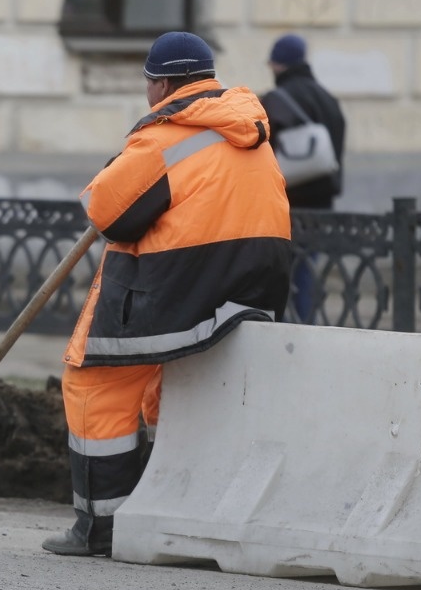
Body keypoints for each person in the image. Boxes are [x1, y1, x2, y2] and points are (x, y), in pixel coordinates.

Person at [40, 32, 292, 557]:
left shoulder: (164, 139)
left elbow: (108, 213)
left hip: (175, 292)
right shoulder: (251, 128)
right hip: (248, 294)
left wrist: (124, 163)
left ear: (160, 85)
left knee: (93, 380)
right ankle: (171, 507)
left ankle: (100, 526)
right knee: (168, 387)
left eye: (148, 84)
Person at [260, 33, 346, 323]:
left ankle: (285, 336)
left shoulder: (275, 101)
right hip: (322, 206)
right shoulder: (329, 99)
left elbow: (263, 152)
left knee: (280, 277)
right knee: (306, 272)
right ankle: (305, 329)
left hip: (286, 205)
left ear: (277, 64)